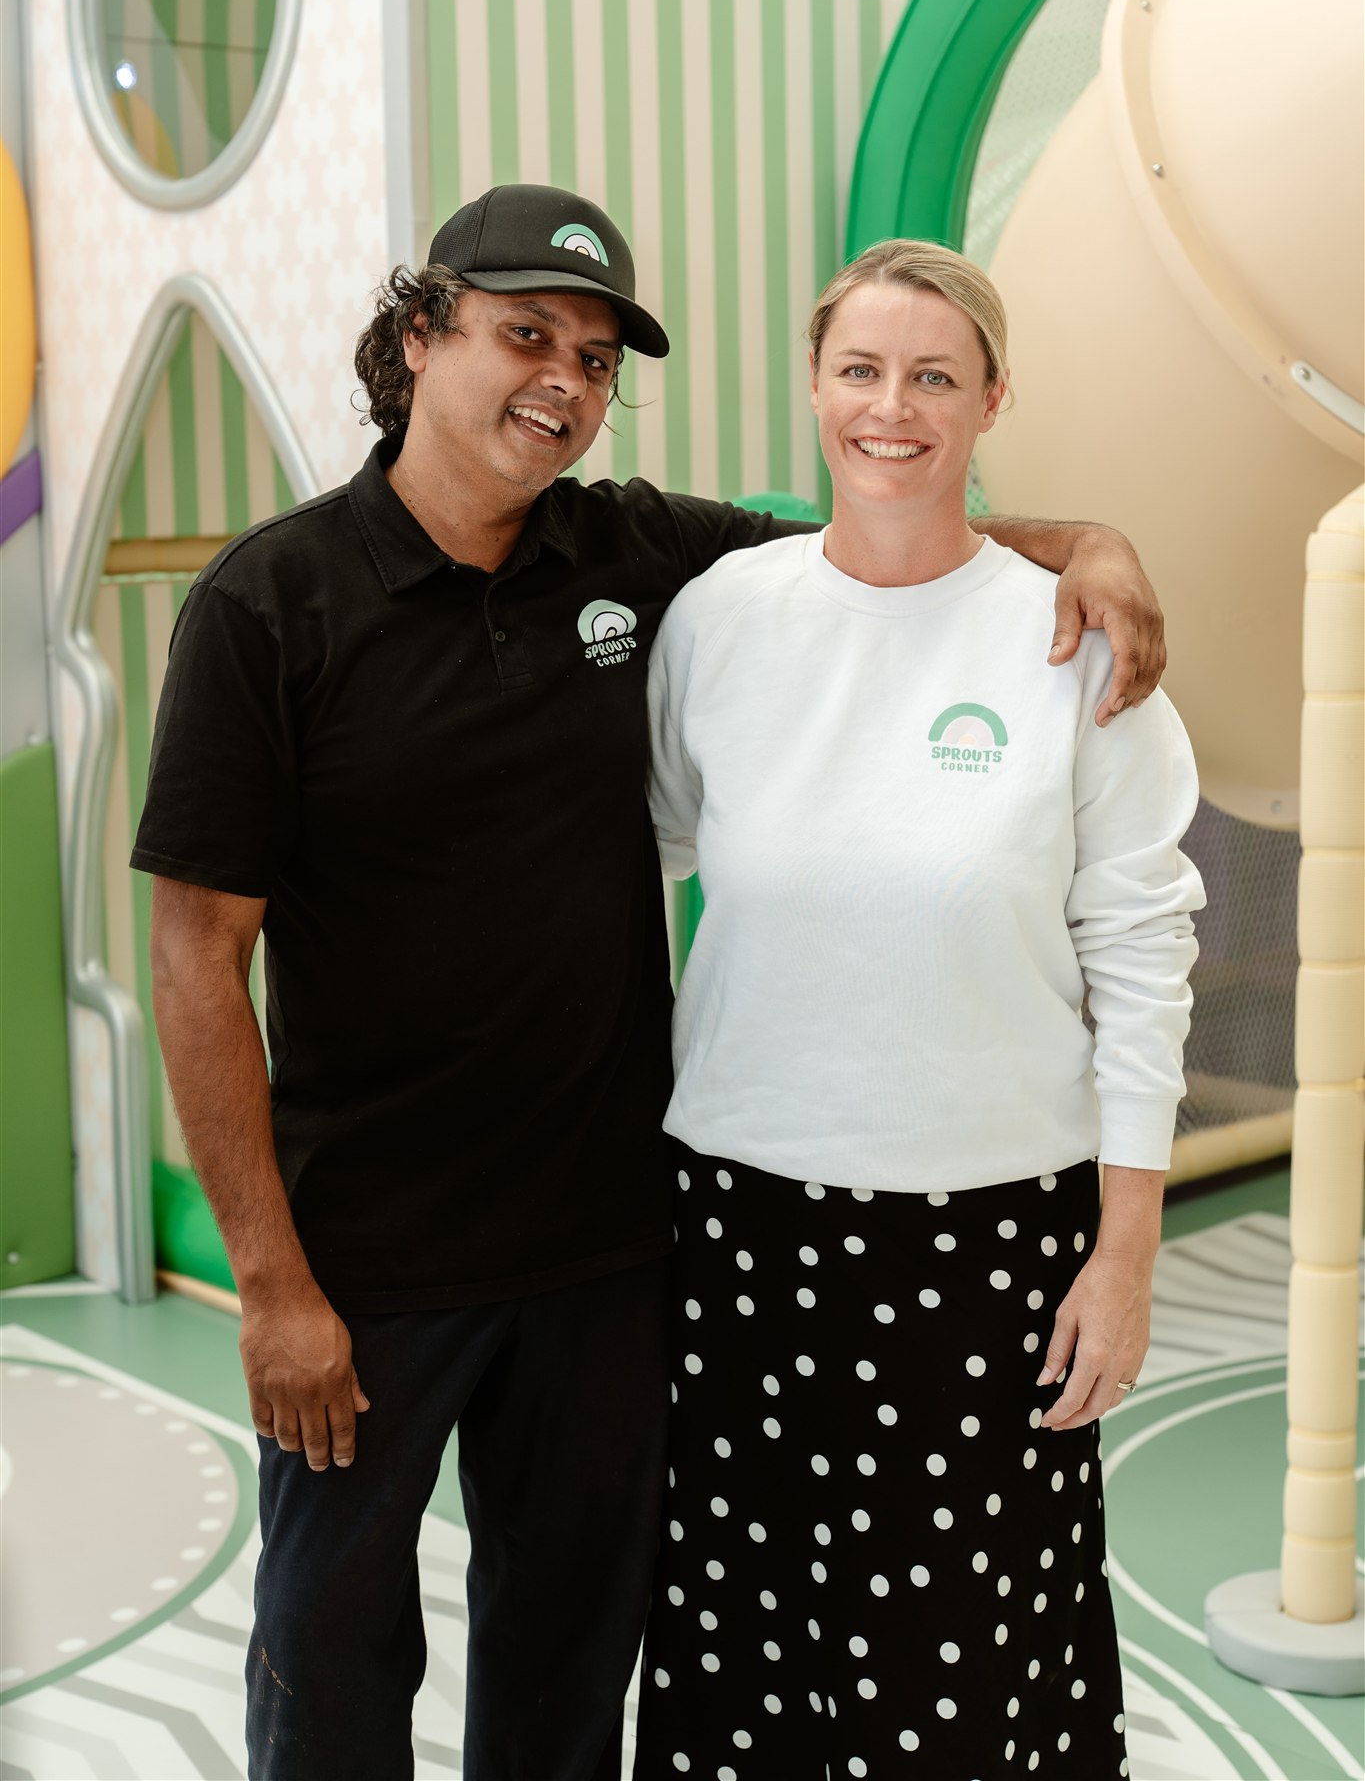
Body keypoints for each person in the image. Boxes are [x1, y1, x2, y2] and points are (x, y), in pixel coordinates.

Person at [134, 187, 1169, 1781]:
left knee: (567, 1653)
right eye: (522, 334)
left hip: (611, 1250)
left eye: (597, 355)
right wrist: (272, 1289)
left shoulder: (637, 555)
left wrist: (1090, 543)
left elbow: (886, 537)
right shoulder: (268, 606)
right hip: (368, 1259)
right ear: (419, 337)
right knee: (332, 1658)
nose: (561, 377)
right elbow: (196, 957)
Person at [634, 239, 1204, 1779]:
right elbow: (647, 850)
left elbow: (1143, 947)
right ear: (814, 388)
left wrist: (1127, 1250)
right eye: (861, 370)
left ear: (991, 400)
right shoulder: (720, 620)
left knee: (949, 1670)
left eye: (934, 376)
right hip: (737, 1217)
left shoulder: (1074, 643)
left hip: (988, 1236)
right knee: (741, 1647)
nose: (893, 408)